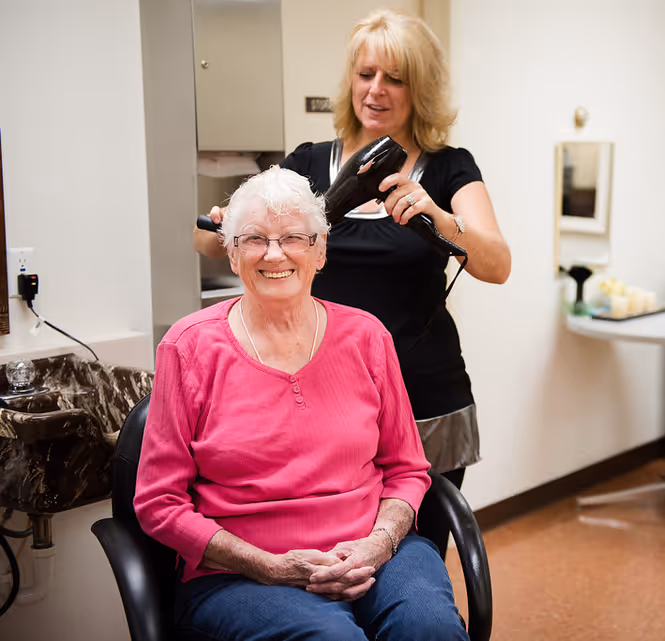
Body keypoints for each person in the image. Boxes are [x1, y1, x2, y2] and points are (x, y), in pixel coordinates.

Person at [193, 9, 511, 556]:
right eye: (366, 75)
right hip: (325, 403)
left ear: (421, 87)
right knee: (327, 555)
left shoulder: (448, 167)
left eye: (395, 78)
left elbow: (496, 265)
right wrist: (232, 224)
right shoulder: (308, 166)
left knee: (415, 559)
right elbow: (209, 243)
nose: (376, 90)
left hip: (424, 396)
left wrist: (439, 217)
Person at [137, 166, 468, 641]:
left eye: (294, 237)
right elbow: (159, 503)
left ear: (321, 250)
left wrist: (378, 543)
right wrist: (271, 567)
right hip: (242, 571)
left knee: (428, 628)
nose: (274, 254)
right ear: (231, 254)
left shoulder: (367, 337)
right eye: (254, 239)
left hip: (373, 548)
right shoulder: (188, 348)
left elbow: (407, 470)